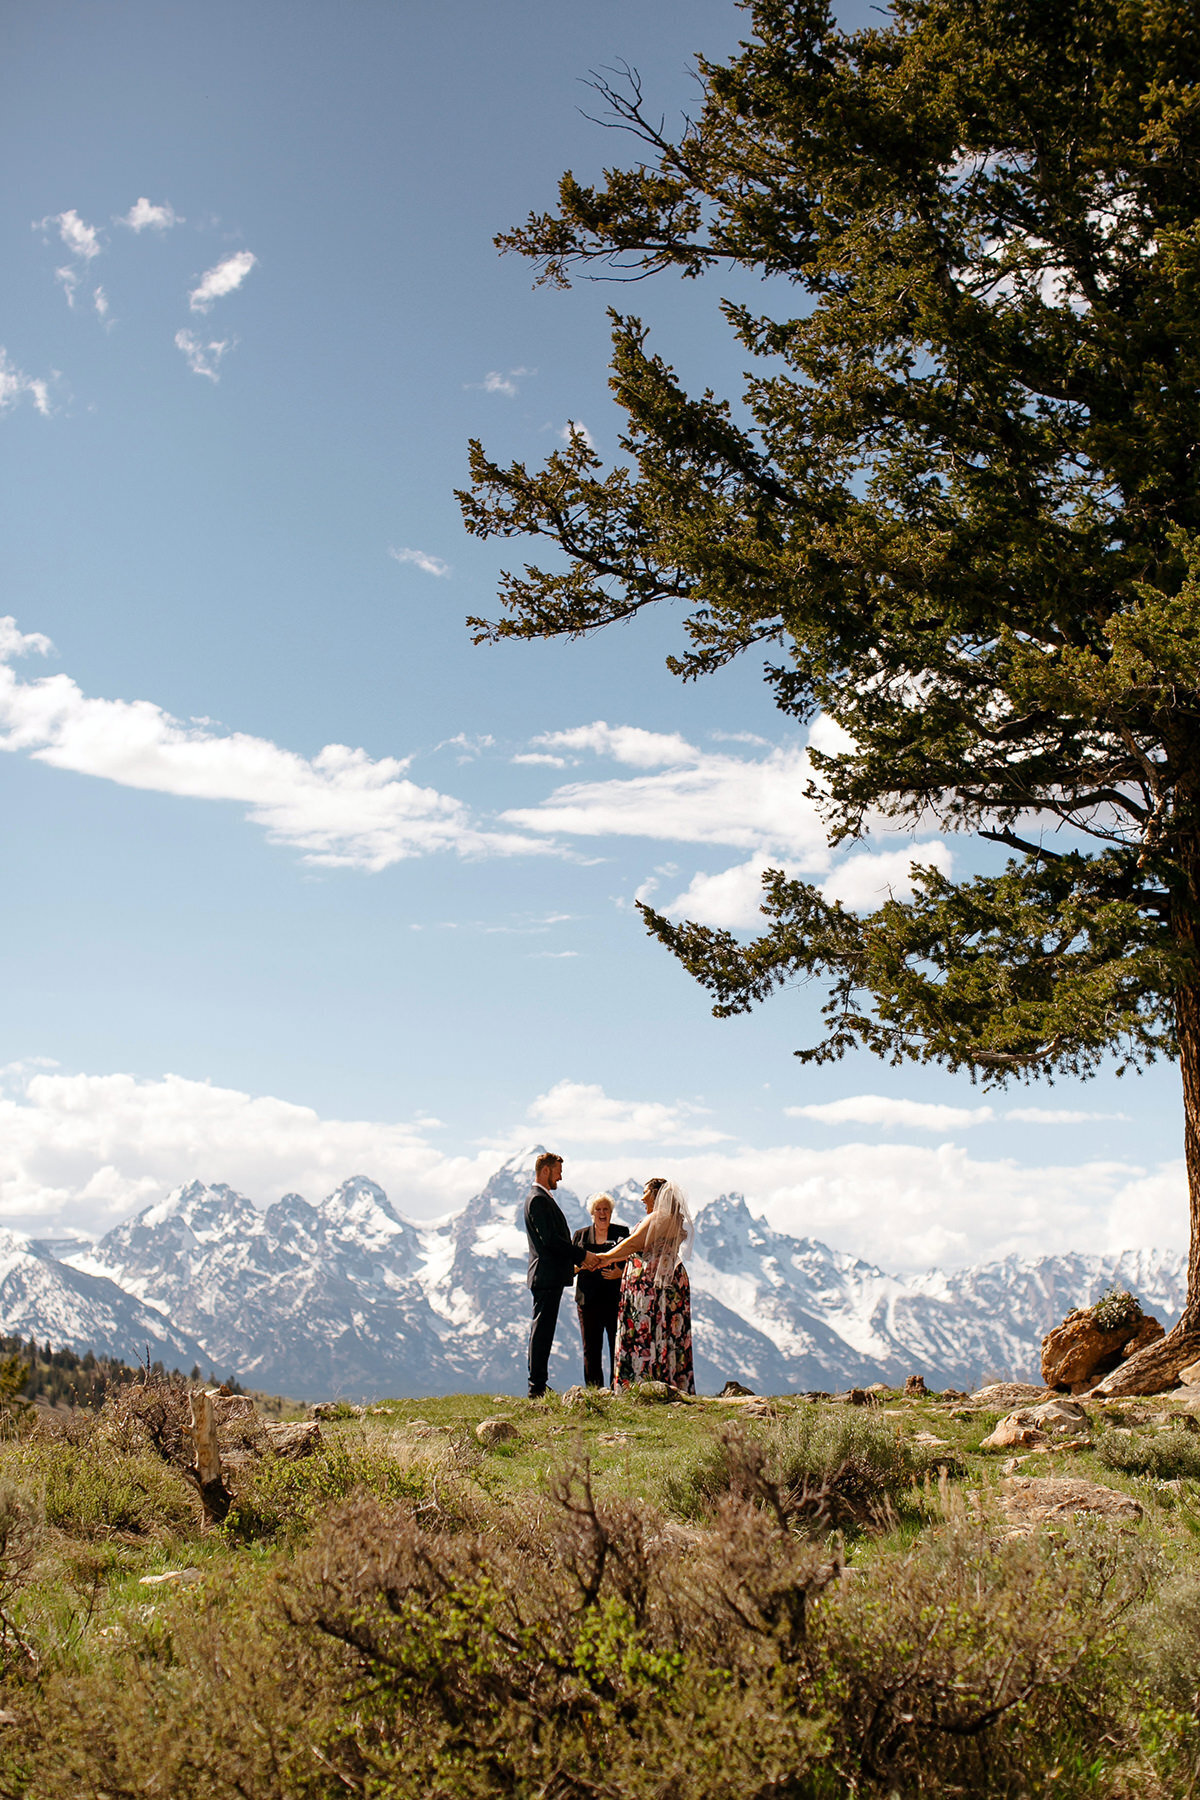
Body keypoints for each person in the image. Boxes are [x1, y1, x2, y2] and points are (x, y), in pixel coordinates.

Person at [591, 1176, 695, 1394]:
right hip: (668, 1279)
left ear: (657, 1195)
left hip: (651, 1284)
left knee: (646, 1327)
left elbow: (635, 1242)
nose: (642, 1198)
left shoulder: (660, 1217)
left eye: (646, 1193)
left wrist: (605, 1257)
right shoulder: (673, 1218)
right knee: (666, 1329)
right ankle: (668, 1379)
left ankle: (642, 1382)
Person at [523, 1150, 598, 1399]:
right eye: (558, 1172)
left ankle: (539, 1384)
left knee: (544, 1329)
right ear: (545, 1171)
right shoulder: (537, 1200)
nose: (560, 1178)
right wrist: (582, 1256)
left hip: (549, 1275)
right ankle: (537, 1387)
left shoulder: (541, 1199)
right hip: (546, 1276)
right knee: (542, 1330)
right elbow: (551, 1240)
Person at [572, 1192, 629, 1388]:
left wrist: (619, 1273)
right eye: (598, 1209)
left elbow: (634, 1262)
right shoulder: (580, 1236)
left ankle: (618, 1388)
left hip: (615, 1300)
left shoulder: (622, 1233)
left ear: (611, 1213)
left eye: (606, 1209)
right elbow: (568, 1268)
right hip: (588, 1302)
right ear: (592, 1213)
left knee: (618, 1347)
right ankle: (595, 1390)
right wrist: (580, 1266)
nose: (602, 1213)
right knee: (591, 1349)